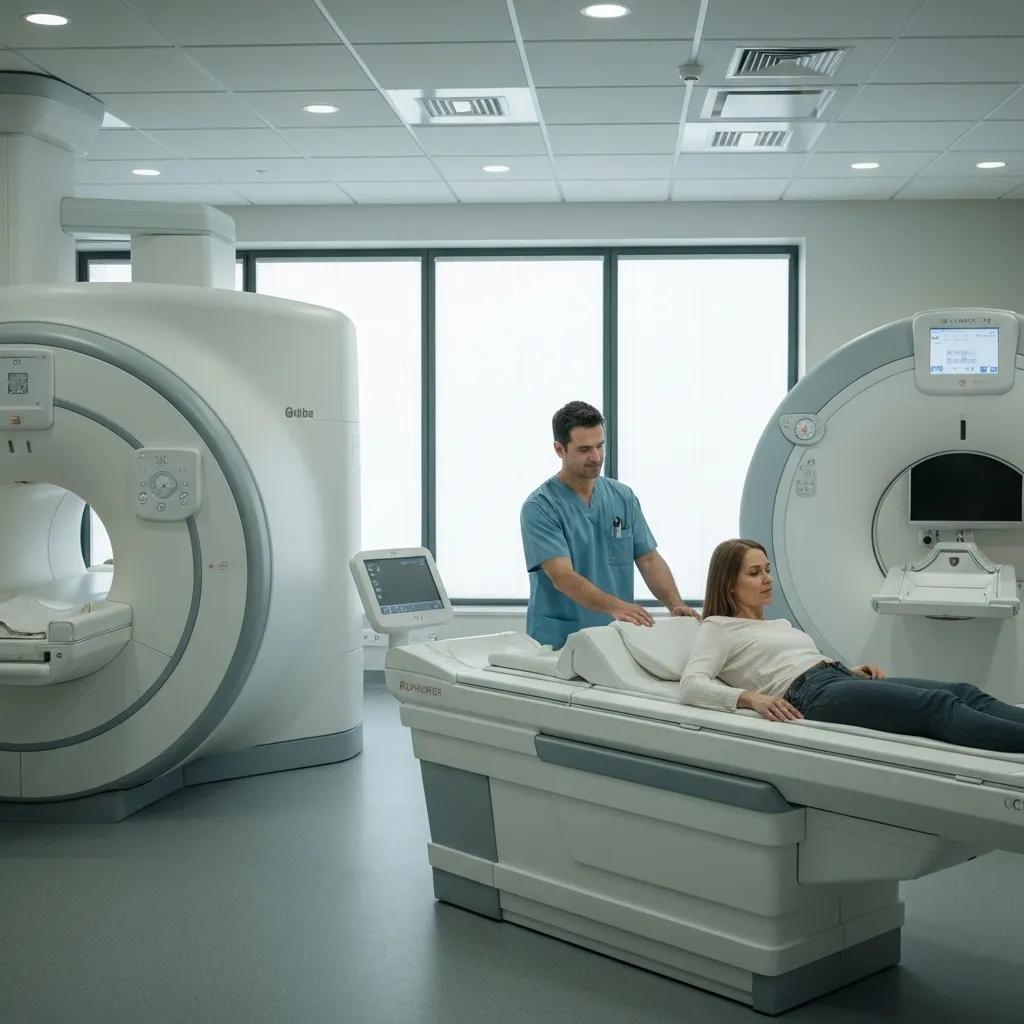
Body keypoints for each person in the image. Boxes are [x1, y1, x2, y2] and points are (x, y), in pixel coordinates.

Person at [679, 537, 1024, 753]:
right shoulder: (718, 627)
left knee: (963, 691)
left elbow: (801, 659)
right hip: (808, 696)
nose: (768, 579)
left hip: (838, 678)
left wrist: (850, 671)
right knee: (936, 706)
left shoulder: (777, 624)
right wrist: (750, 698)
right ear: (729, 585)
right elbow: (692, 686)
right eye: (754, 573)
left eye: (767, 569)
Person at [521, 400, 697, 650]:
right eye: (584, 449)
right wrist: (616, 606)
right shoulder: (540, 507)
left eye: (600, 445)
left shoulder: (622, 497)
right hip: (561, 640)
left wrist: (675, 604)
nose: (596, 457)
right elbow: (562, 576)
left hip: (617, 635)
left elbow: (648, 559)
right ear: (560, 449)